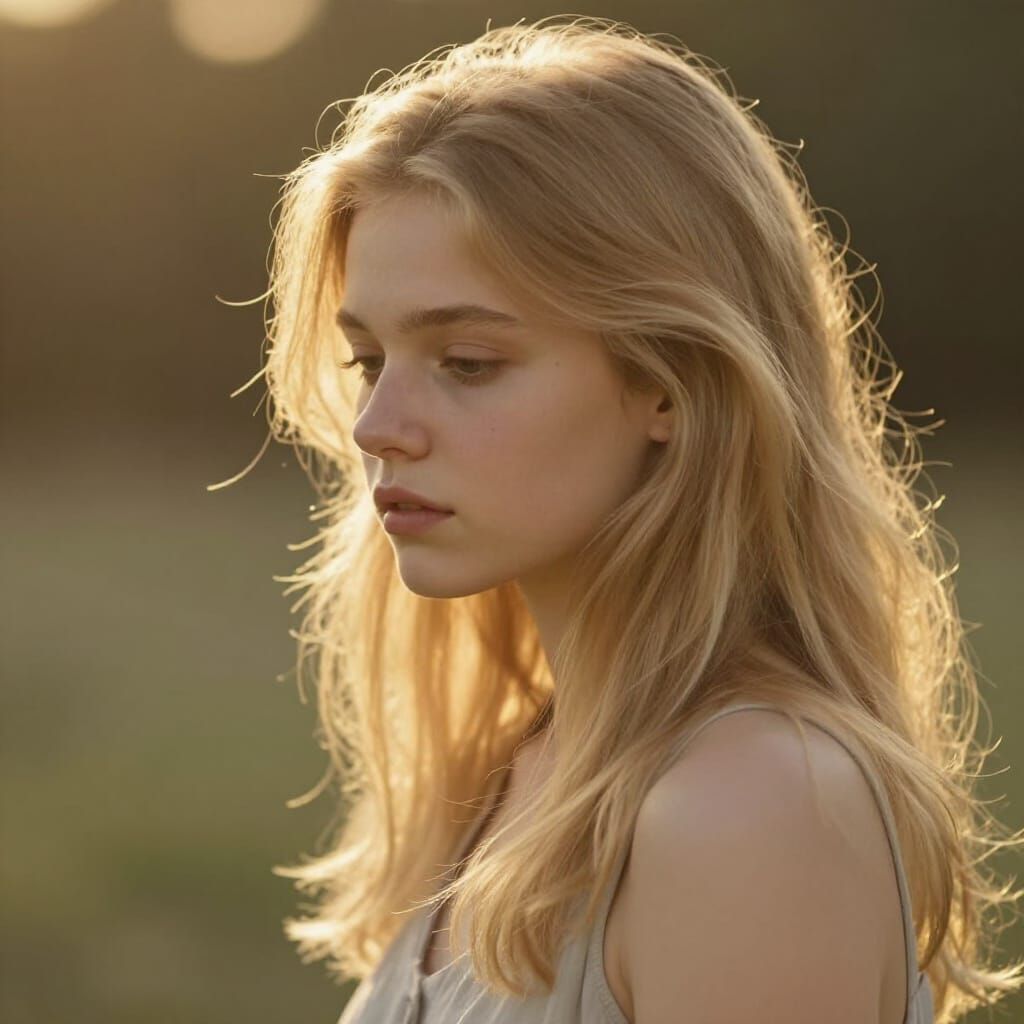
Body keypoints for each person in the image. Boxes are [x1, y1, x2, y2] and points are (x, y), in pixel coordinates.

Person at [242, 15, 1023, 1024]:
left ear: (670, 379)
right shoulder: (525, 763)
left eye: (467, 362)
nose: (378, 427)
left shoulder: (758, 802)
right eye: (368, 361)